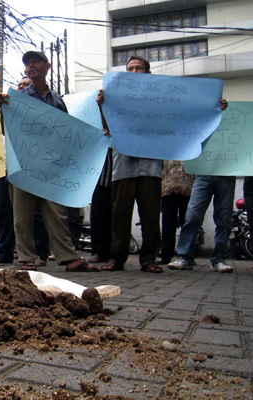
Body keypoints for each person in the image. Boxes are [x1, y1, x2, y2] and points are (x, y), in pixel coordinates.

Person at [0, 51, 99, 272]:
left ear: (47, 66)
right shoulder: (17, 97)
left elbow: (67, 133)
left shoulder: (57, 100)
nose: (31, 66)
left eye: (35, 62)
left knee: (56, 212)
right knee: (21, 213)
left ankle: (68, 257)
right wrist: (2, 108)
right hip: (22, 164)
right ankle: (26, 258)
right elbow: (6, 129)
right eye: (27, 64)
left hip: (50, 166)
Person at [97, 56, 165, 273]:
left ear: (147, 73)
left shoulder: (160, 100)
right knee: (120, 215)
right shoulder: (116, 98)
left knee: (151, 215)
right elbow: (107, 128)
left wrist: (213, 108)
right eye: (130, 69)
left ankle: (149, 259)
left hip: (150, 166)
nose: (134, 72)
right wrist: (102, 106)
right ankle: (116, 259)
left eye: (139, 68)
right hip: (124, 165)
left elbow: (176, 120)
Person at [0, 77, 51, 266]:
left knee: (36, 212)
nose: (22, 87)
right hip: (6, 166)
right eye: (20, 85)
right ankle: (4, 252)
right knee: (4, 211)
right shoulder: (7, 110)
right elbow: (0, 130)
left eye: (27, 85)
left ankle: (41, 253)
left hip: (30, 167)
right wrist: (1, 108)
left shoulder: (38, 113)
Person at [157, 161, 194, 264]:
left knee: (187, 222)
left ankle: (187, 255)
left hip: (187, 187)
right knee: (168, 223)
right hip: (168, 187)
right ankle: (165, 254)